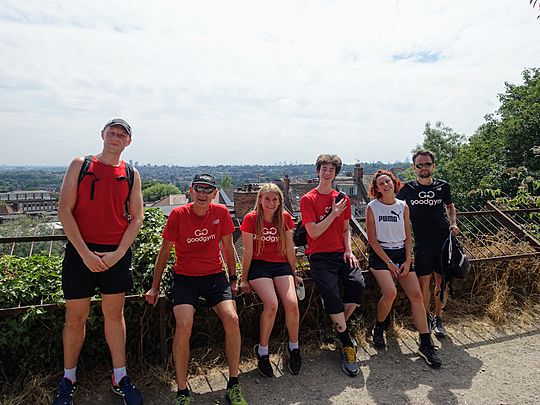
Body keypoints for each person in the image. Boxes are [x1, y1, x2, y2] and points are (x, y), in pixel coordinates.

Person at [54, 118, 144, 405]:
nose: (116, 137)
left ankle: (120, 376)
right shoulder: (81, 165)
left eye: (122, 134)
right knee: (75, 318)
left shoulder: (131, 173)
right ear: (103, 135)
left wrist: (117, 254)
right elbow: (64, 211)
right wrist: (84, 253)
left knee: (114, 317)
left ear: (128, 141)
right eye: (112, 132)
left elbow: (137, 217)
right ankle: (68, 378)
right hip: (81, 252)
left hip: (115, 254)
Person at [144, 174, 248, 405]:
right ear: (191, 190)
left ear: (214, 193)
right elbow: (164, 251)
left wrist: (233, 278)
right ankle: (182, 392)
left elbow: (229, 248)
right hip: (185, 279)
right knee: (183, 324)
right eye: (198, 189)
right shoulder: (178, 215)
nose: (203, 194)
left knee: (232, 318)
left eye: (208, 190)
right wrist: (154, 287)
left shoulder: (220, 213)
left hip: (214, 277)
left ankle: (233, 383)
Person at [366, 170, 442, 368]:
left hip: (402, 253)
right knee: (390, 292)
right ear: (377, 188)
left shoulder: (403, 207)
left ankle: (425, 343)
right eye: (381, 183)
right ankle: (379, 326)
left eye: (387, 181)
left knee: (416, 295)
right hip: (381, 255)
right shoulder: (372, 207)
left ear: (394, 183)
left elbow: (408, 237)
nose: (385, 185)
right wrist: (390, 264)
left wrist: (408, 261)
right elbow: (372, 240)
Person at [299, 154, 365, 377]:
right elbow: (314, 232)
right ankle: (346, 341)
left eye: (331, 169)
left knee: (358, 285)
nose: (327, 173)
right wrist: (333, 213)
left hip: (340, 253)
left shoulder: (342, 198)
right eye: (324, 169)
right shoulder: (308, 199)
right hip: (319, 256)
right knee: (330, 292)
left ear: (336, 174)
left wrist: (348, 250)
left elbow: (346, 229)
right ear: (318, 171)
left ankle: (338, 327)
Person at [240, 183, 302, 378]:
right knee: (272, 304)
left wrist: (294, 273)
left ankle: (294, 348)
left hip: (281, 265)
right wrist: (243, 279)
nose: (271, 203)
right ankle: (263, 351)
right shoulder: (251, 219)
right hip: (259, 266)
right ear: (259, 199)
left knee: (292, 303)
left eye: (275, 199)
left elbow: (290, 249)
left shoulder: (284, 218)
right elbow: (247, 251)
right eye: (267, 198)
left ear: (280, 201)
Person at [397, 150, 460, 338]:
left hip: (442, 240)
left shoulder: (443, 186)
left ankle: (439, 318)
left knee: (442, 282)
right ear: (414, 167)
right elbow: (395, 209)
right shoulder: (407, 189)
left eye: (427, 164)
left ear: (434, 166)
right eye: (420, 165)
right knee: (423, 284)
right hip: (422, 243)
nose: (424, 168)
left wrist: (454, 223)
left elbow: (449, 206)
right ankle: (426, 318)